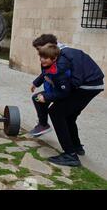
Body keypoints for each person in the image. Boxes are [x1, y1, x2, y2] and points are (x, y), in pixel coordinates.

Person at [31, 35, 105, 166]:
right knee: (68, 116)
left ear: (50, 47)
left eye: (39, 49)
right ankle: (76, 147)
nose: (38, 54)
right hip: (92, 84)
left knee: (56, 112)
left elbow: (69, 85)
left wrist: (48, 96)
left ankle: (70, 155)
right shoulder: (63, 53)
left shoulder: (62, 59)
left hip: (86, 86)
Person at [30, 44, 72, 137]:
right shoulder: (46, 65)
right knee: (36, 98)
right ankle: (43, 124)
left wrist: (46, 97)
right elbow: (44, 74)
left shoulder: (59, 72)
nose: (42, 60)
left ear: (54, 59)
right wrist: (35, 83)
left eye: (45, 58)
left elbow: (65, 92)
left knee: (40, 100)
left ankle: (43, 125)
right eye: (41, 57)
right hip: (53, 90)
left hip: (60, 93)